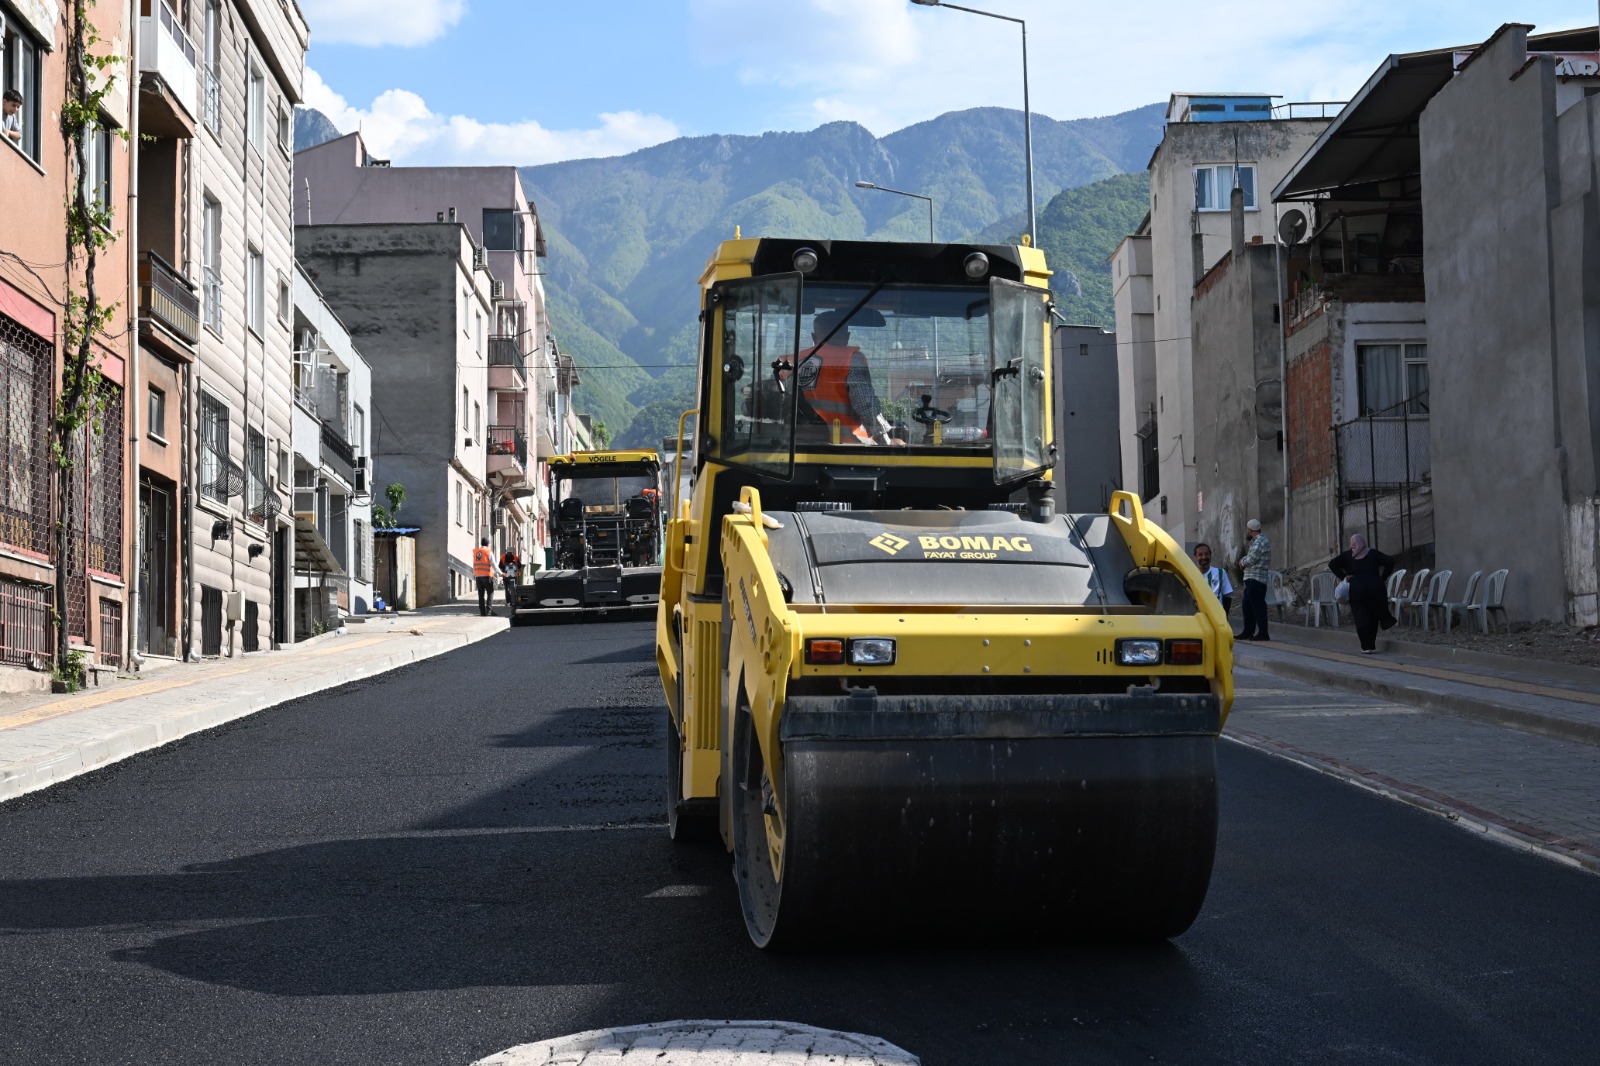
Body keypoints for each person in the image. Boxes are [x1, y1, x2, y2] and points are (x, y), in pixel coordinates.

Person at [795, 311, 900, 445]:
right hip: (844, 446)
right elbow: (865, 403)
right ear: (847, 336)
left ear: (813, 337)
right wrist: (886, 442)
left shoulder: (797, 360)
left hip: (800, 445)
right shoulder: (851, 359)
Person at [1328, 532, 1397, 653]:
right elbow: (1390, 561)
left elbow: (1332, 564)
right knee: (1373, 616)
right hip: (1375, 589)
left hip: (1357, 590)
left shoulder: (1348, 555)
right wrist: (1382, 578)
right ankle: (1371, 644)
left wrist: (1344, 576)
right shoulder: (1373, 553)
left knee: (1361, 616)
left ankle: (1366, 646)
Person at [1236, 518, 1272, 641]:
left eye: (1248, 530)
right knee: (1247, 606)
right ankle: (1248, 631)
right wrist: (1244, 560)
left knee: (1257, 607)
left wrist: (1242, 562)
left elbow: (1252, 558)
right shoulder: (1257, 541)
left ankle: (1263, 633)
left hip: (1256, 579)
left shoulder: (1260, 541)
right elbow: (1251, 556)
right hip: (1252, 579)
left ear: (1251, 530)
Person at [1193, 543, 1233, 614]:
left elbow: (1227, 597)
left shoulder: (1220, 573)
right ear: (1195, 557)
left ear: (1210, 556)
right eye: (1200, 555)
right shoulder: (1191, 575)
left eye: (1206, 554)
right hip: (1198, 619)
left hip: (1216, 618)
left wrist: (1224, 616)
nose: (1204, 557)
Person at [472, 537, 496, 616]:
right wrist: (500, 573)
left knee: (481, 594)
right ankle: (488, 611)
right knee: (490, 592)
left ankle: (482, 612)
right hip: (486, 575)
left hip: (478, 576)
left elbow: (474, 563)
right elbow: (493, 563)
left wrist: (474, 573)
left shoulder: (476, 552)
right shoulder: (488, 551)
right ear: (488, 544)